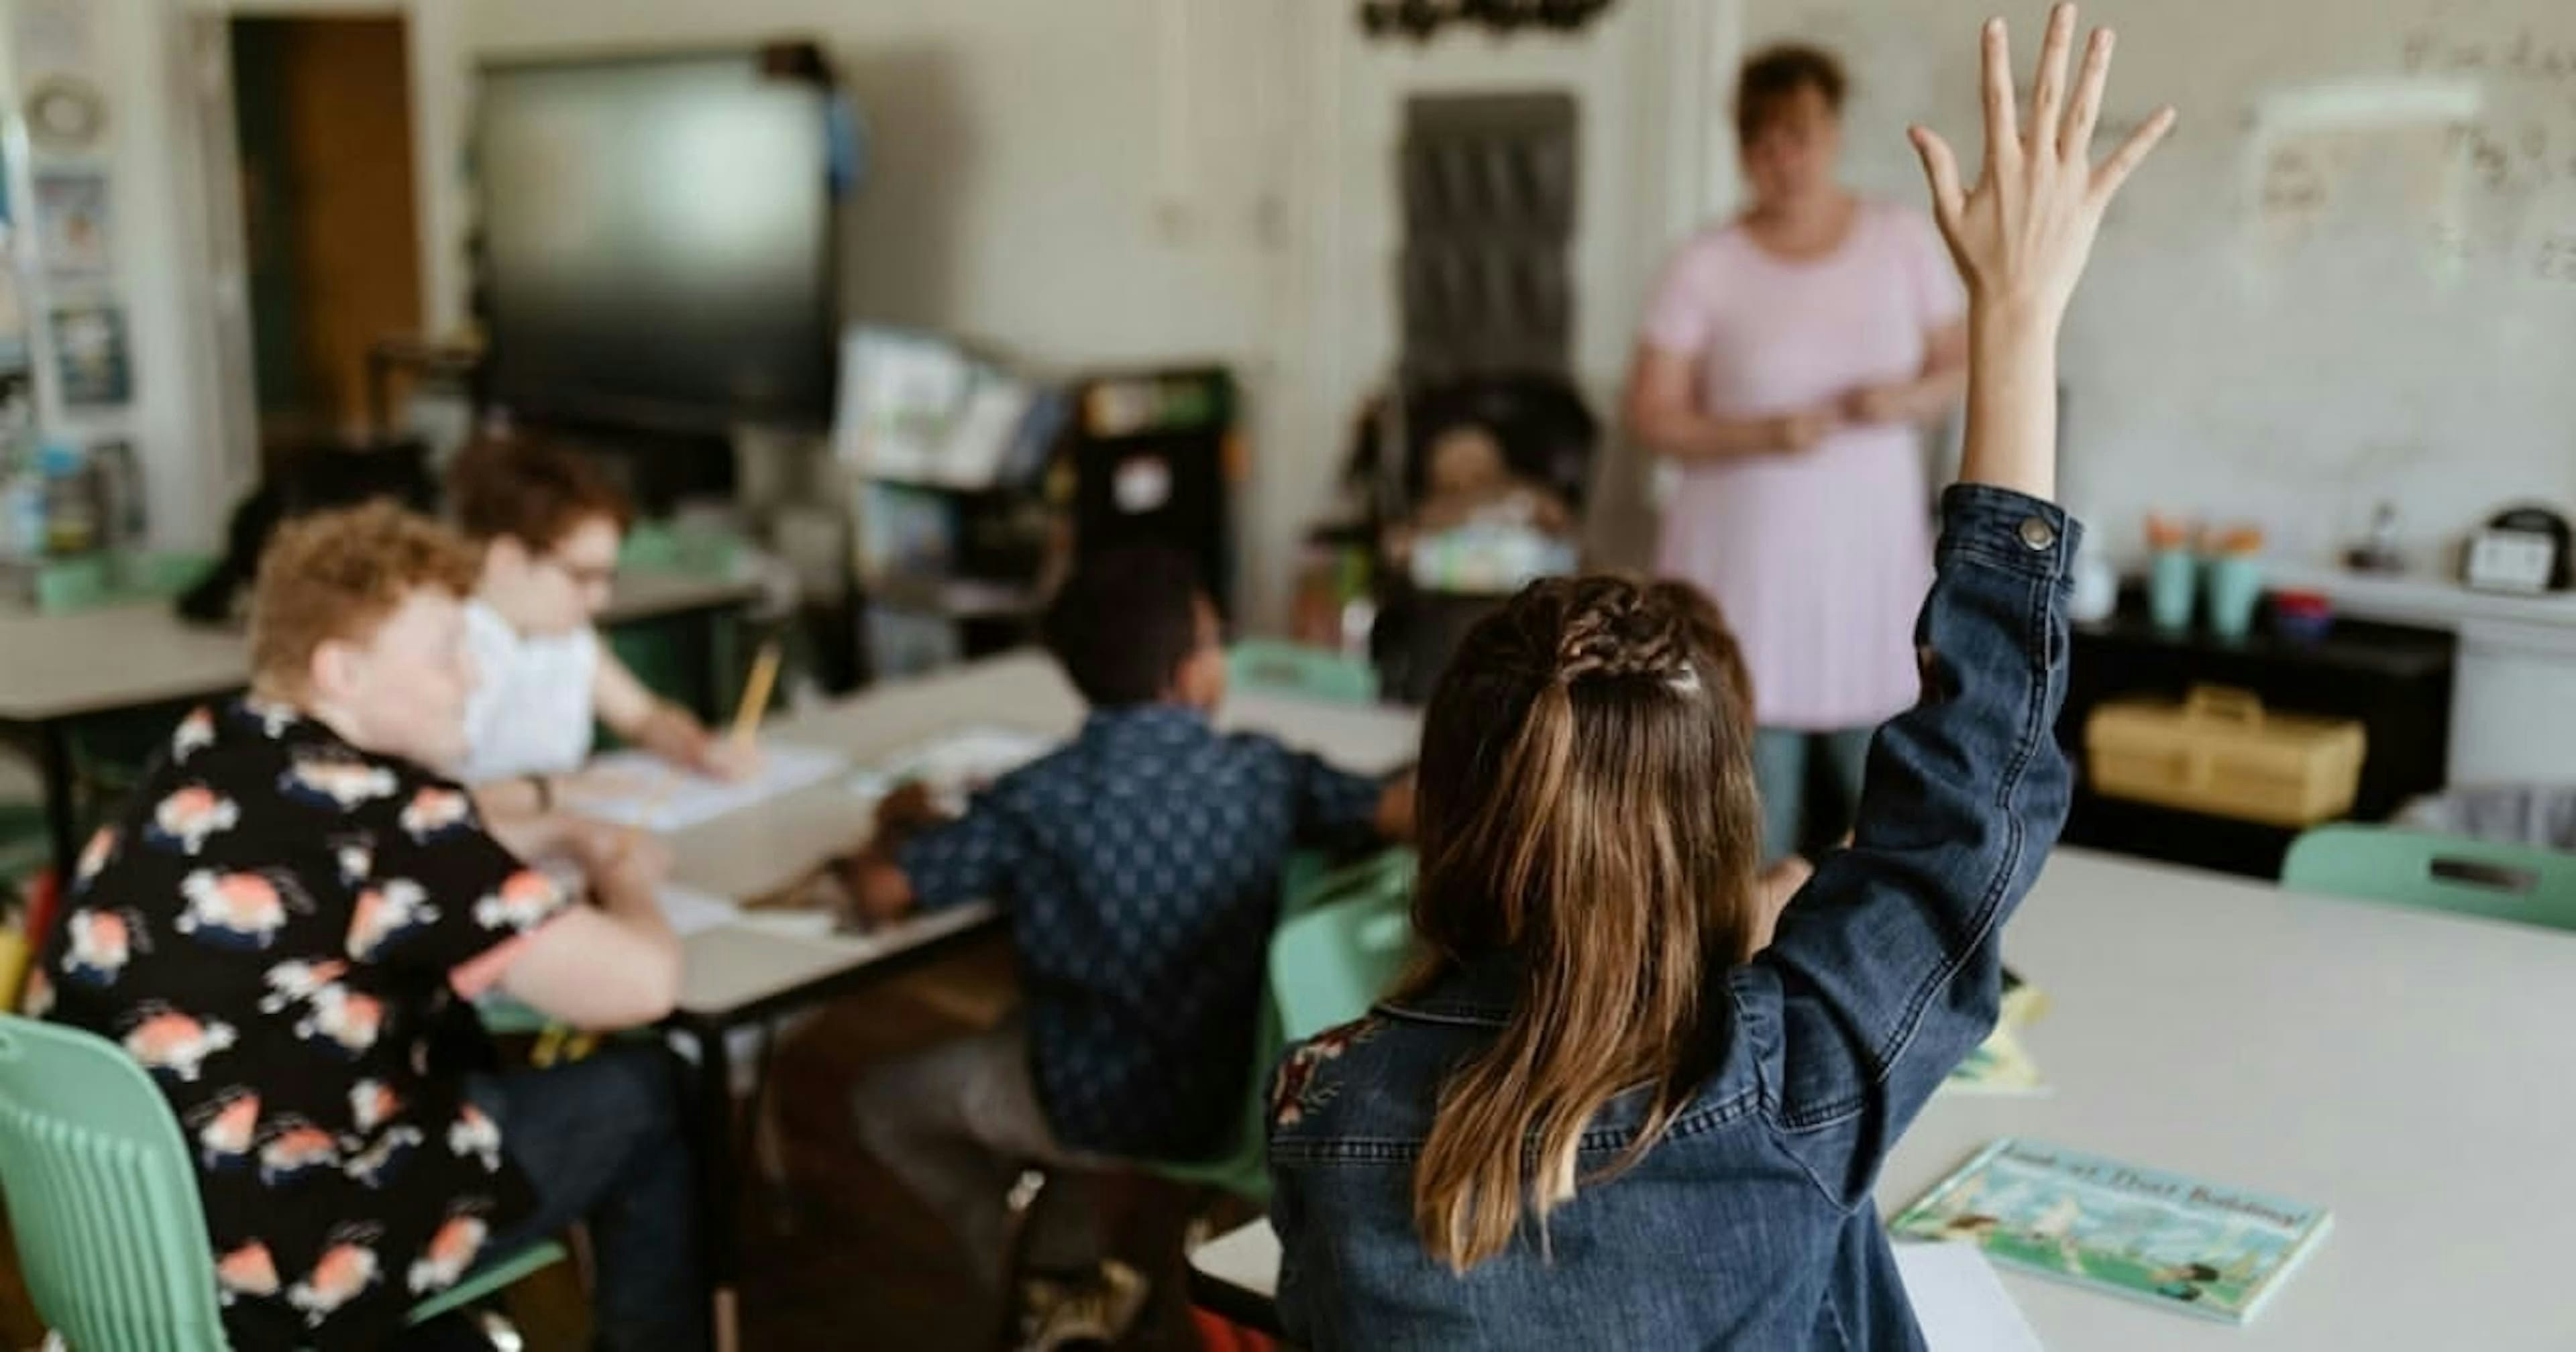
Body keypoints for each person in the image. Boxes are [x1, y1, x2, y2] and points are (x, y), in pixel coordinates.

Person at [1267, 8, 2173, 1347]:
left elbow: (1959, 824)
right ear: (1720, 832)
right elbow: (1967, 813)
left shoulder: (1321, 1106)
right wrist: (2021, 317)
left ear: (1448, 817)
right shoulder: (1794, 1083)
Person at [29, 502, 708, 1351]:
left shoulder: (207, 748)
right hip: (291, 1263)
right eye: (445, 654)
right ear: (342, 672)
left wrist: (549, 836)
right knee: (655, 1090)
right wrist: (624, 878)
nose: (474, 677)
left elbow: (340, 877)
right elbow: (644, 987)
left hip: (128, 1245)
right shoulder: (397, 819)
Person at [838, 545, 1413, 1342]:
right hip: (1234, 1098)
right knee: (1025, 1031)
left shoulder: (1040, 796)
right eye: (1215, 644)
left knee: (883, 1102)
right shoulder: (1261, 773)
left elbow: (882, 891)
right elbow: (1392, 811)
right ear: (1186, 676)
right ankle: (1076, 1260)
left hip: (1088, 1097)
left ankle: (1045, 1277)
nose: (1224, 662)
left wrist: (893, 822)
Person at [1623, 41, 1972, 862]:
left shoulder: (1899, 241)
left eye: (1799, 135)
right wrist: (1764, 434)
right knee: (1748, 820)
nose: (1782, 159)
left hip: (1868, 577)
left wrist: (1904, 399)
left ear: (1834, 133)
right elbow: (1653, 415)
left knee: (1885, 807)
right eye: (1762, 140)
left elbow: (1962, 367)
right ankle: (1742, 978)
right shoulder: (1703, 264)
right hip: (1742, 587)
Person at [445, 436, 753, 820]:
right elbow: (427, 800)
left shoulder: (566, 636)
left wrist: (695, 746)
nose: (600, 600)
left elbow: (642, 716)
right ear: (507, 560)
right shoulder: (446, 644)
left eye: (607, 578)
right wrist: (556, 791)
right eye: (582, 577)